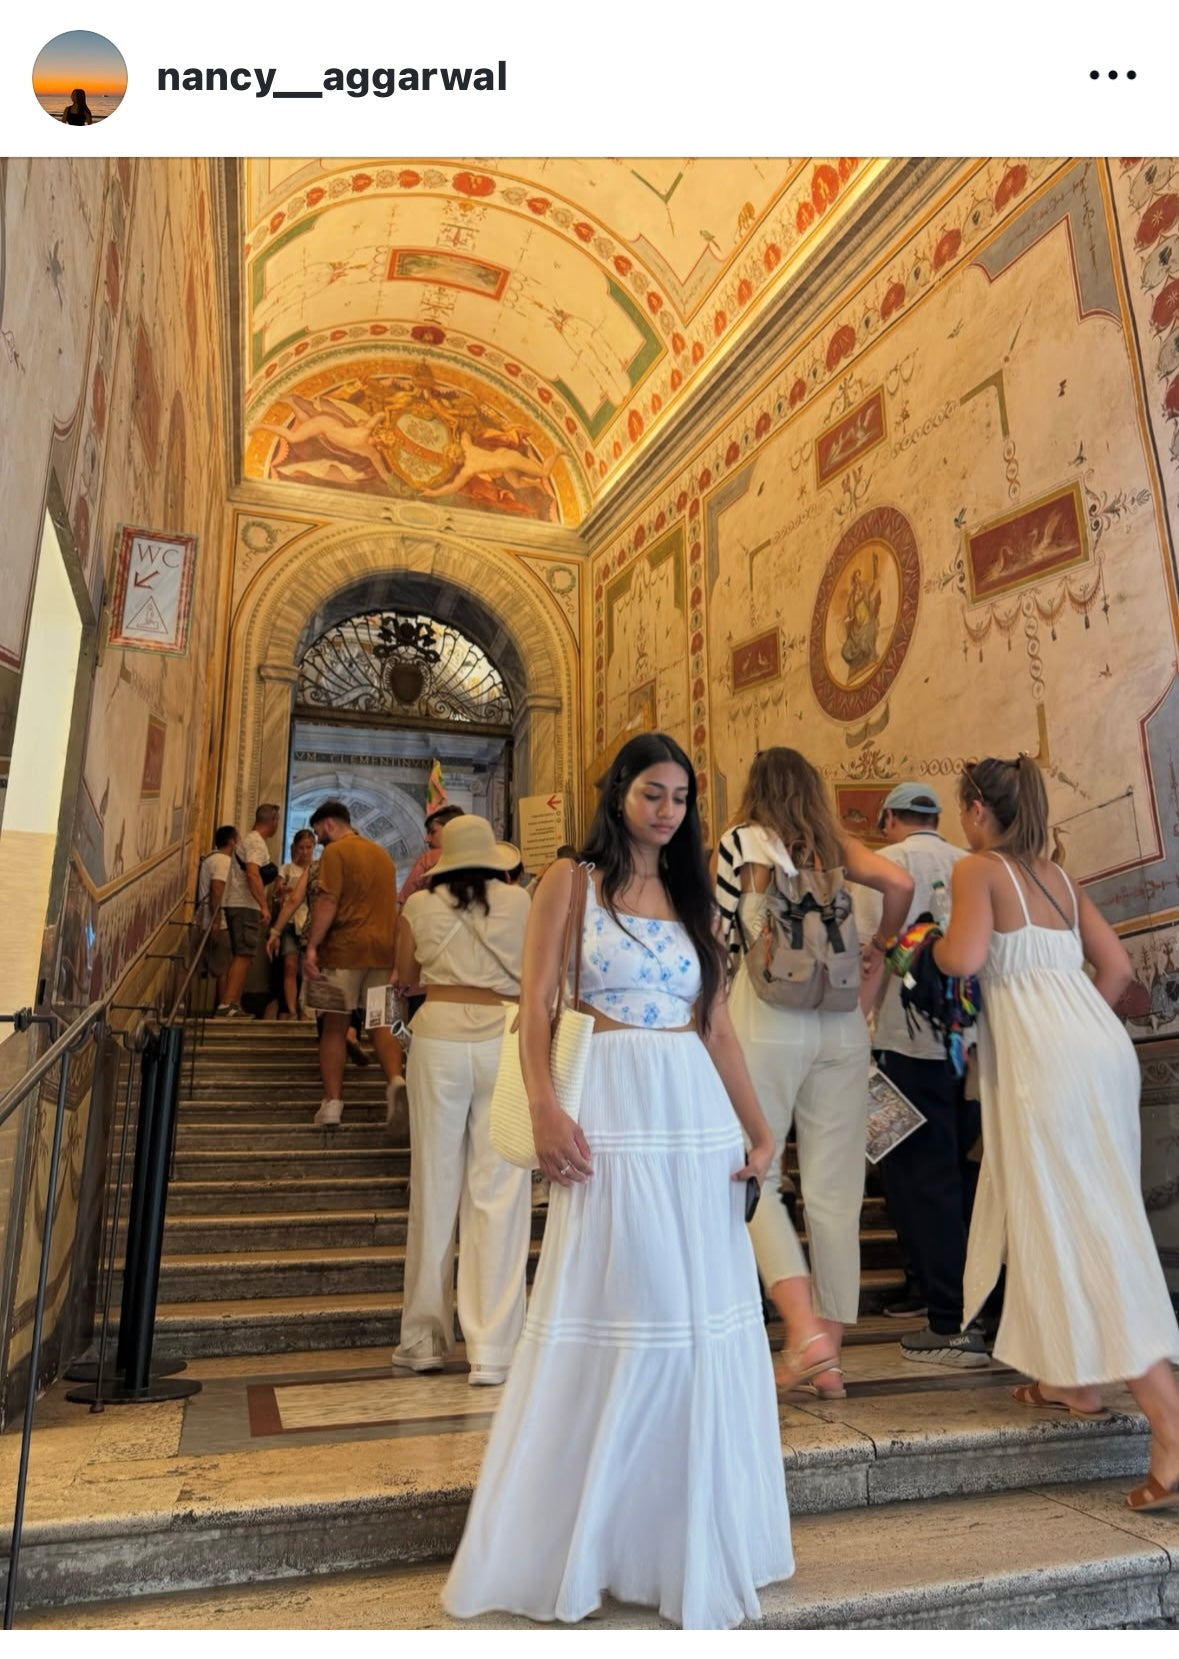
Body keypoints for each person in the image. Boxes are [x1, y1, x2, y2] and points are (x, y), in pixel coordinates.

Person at [443, 733, 792, 1630]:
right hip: (610, 1109)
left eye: (679, 796)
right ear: (619, 794)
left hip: (692, 1117)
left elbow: (716, 1025)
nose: (667, 809)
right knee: (631, 1306)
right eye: (651, 792)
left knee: (696, 1321)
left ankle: (678, 1542)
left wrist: (760, 1131)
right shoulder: (570, 880)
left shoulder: (693, 895)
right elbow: (535, 1007)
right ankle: (589, 1538)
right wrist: (544, 1108)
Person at [933, 755, 1179, 1513]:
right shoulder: (1060, 881)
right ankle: (1068, 1379)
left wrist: (924, 944)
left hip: (1045, 1065)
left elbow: (963, 958)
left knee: (1088, 1227)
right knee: (1063, 1214)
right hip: (1097, 1053)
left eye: (962, 809)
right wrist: (1073, 1025)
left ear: (977, 809)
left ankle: (1171, 1424)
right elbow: (1116, 970)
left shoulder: (977, 870)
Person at [713, 747, 913, 1400]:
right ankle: (827, 1356)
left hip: (765, 1015)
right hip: (840, 1021)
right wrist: (881, 948)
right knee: (835, 1192)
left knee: (754, 1171)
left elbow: (715, 936)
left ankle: (802, 1332)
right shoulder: (836, 845)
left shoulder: (742, 842)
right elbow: (900, 885)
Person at [391, 816, 532, 1385]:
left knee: (433, 1186)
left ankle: (423, 1341)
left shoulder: (418, 906)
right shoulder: (519, 901)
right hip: (504, 1035)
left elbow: (405, 975)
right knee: (498, 1192)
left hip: (439, 1035)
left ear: (443, 856)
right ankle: (492, 1350)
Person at [854, 781, 990, 1365]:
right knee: (963, 1178)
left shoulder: (883, 864)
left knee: (915, 1179)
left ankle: (947, 1317)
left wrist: (854, 1035)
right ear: (937, 817)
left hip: (898, 1044)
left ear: (889, 818)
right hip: (970, 1049)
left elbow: (867, 955)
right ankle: (975, 1305)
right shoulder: (970, 864)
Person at [303, 799, 405, 1129]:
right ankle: (396, 1082)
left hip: (343, 951)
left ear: (329, 824)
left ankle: (332, 1103)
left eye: (318, 832)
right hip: (382, 953)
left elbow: (328, 899)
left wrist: (312, 947)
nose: (318, 839)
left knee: (334, 1027)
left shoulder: (335, 852)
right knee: (381, 1023)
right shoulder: (383, 856)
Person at [398, 804, 465, 1019]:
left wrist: (398, 969)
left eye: (433, 831)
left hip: (427, 974)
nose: (427, 839)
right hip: (470, 982)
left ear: (452, 829)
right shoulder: (489, 872)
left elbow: (404, 904)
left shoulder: (428, 860)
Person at [218, 803, 279, 1016]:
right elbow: (252, 873)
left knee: (244, 954)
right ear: (273, 821)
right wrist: (264, 905)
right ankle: (227, 1004)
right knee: (244, 954)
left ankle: (234, 1003)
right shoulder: (256, 843)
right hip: (244, 904)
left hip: (237, 903)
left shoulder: (248, 840)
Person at [267, 828, 316, 1018]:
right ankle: (292, 1009)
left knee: (308, 967)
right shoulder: (286, 869)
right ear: (295, 847)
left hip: (310, 922)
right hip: (290, 922)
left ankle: (306, 1008)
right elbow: (277, 895)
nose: (305, 852)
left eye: (308, 847)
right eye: (301, 847)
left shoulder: (317, 869)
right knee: (290, 965)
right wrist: (281, 892)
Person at [195, 825, 237, 1008]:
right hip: (219, 923)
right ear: (232, 841)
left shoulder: (211, 859)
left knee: (220, 968)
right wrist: (217, 920)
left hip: (207, 921)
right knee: (224, 970)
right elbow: (217, 888)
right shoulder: (223, 861)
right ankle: (224, 1006)